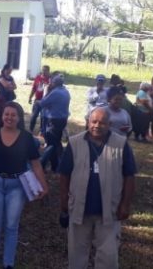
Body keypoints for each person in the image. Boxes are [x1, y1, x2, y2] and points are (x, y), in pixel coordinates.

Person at [59, 107, 137, 269]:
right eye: (93, 121)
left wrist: (125, 205)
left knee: (108, 257)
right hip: (79, 207)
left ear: (109, 124)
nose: (97, 125)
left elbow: (129, 176)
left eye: (102, 123)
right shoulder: (75, 143)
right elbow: (65, 174)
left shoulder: (121, 144)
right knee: (76, 254)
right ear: (88, 122)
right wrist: (64, 200)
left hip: (109, 210)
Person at [0, 102, 48, 269]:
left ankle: (8, 263)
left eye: (13, 114)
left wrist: (44, 186)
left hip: (17, 186)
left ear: (19, 118)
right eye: (6, 114)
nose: (9, 117)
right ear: (2, 116)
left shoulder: (26, 138)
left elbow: (35, 163)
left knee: (11, 225)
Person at [39, 74, 71, 172]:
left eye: (51, 82)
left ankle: (47, 165)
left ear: (54, 83)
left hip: (54, 120)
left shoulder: (55, 93)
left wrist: (47, 91)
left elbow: (42, 103)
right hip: (62, 120)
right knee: (56, 142)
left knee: (51, 144)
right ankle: (56, 164)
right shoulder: (66, 91)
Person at [28, 65, 51, 133]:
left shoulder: (50, 79)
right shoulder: (38, 77)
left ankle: (42, 131)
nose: (43, 72)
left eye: (45, 70)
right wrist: (30, 97)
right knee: (34, 116)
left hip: (45, 101)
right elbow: (34, 88)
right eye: (43, 70)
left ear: (48, 71)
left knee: (43, 117)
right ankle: (30, 130)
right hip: (37, 100)